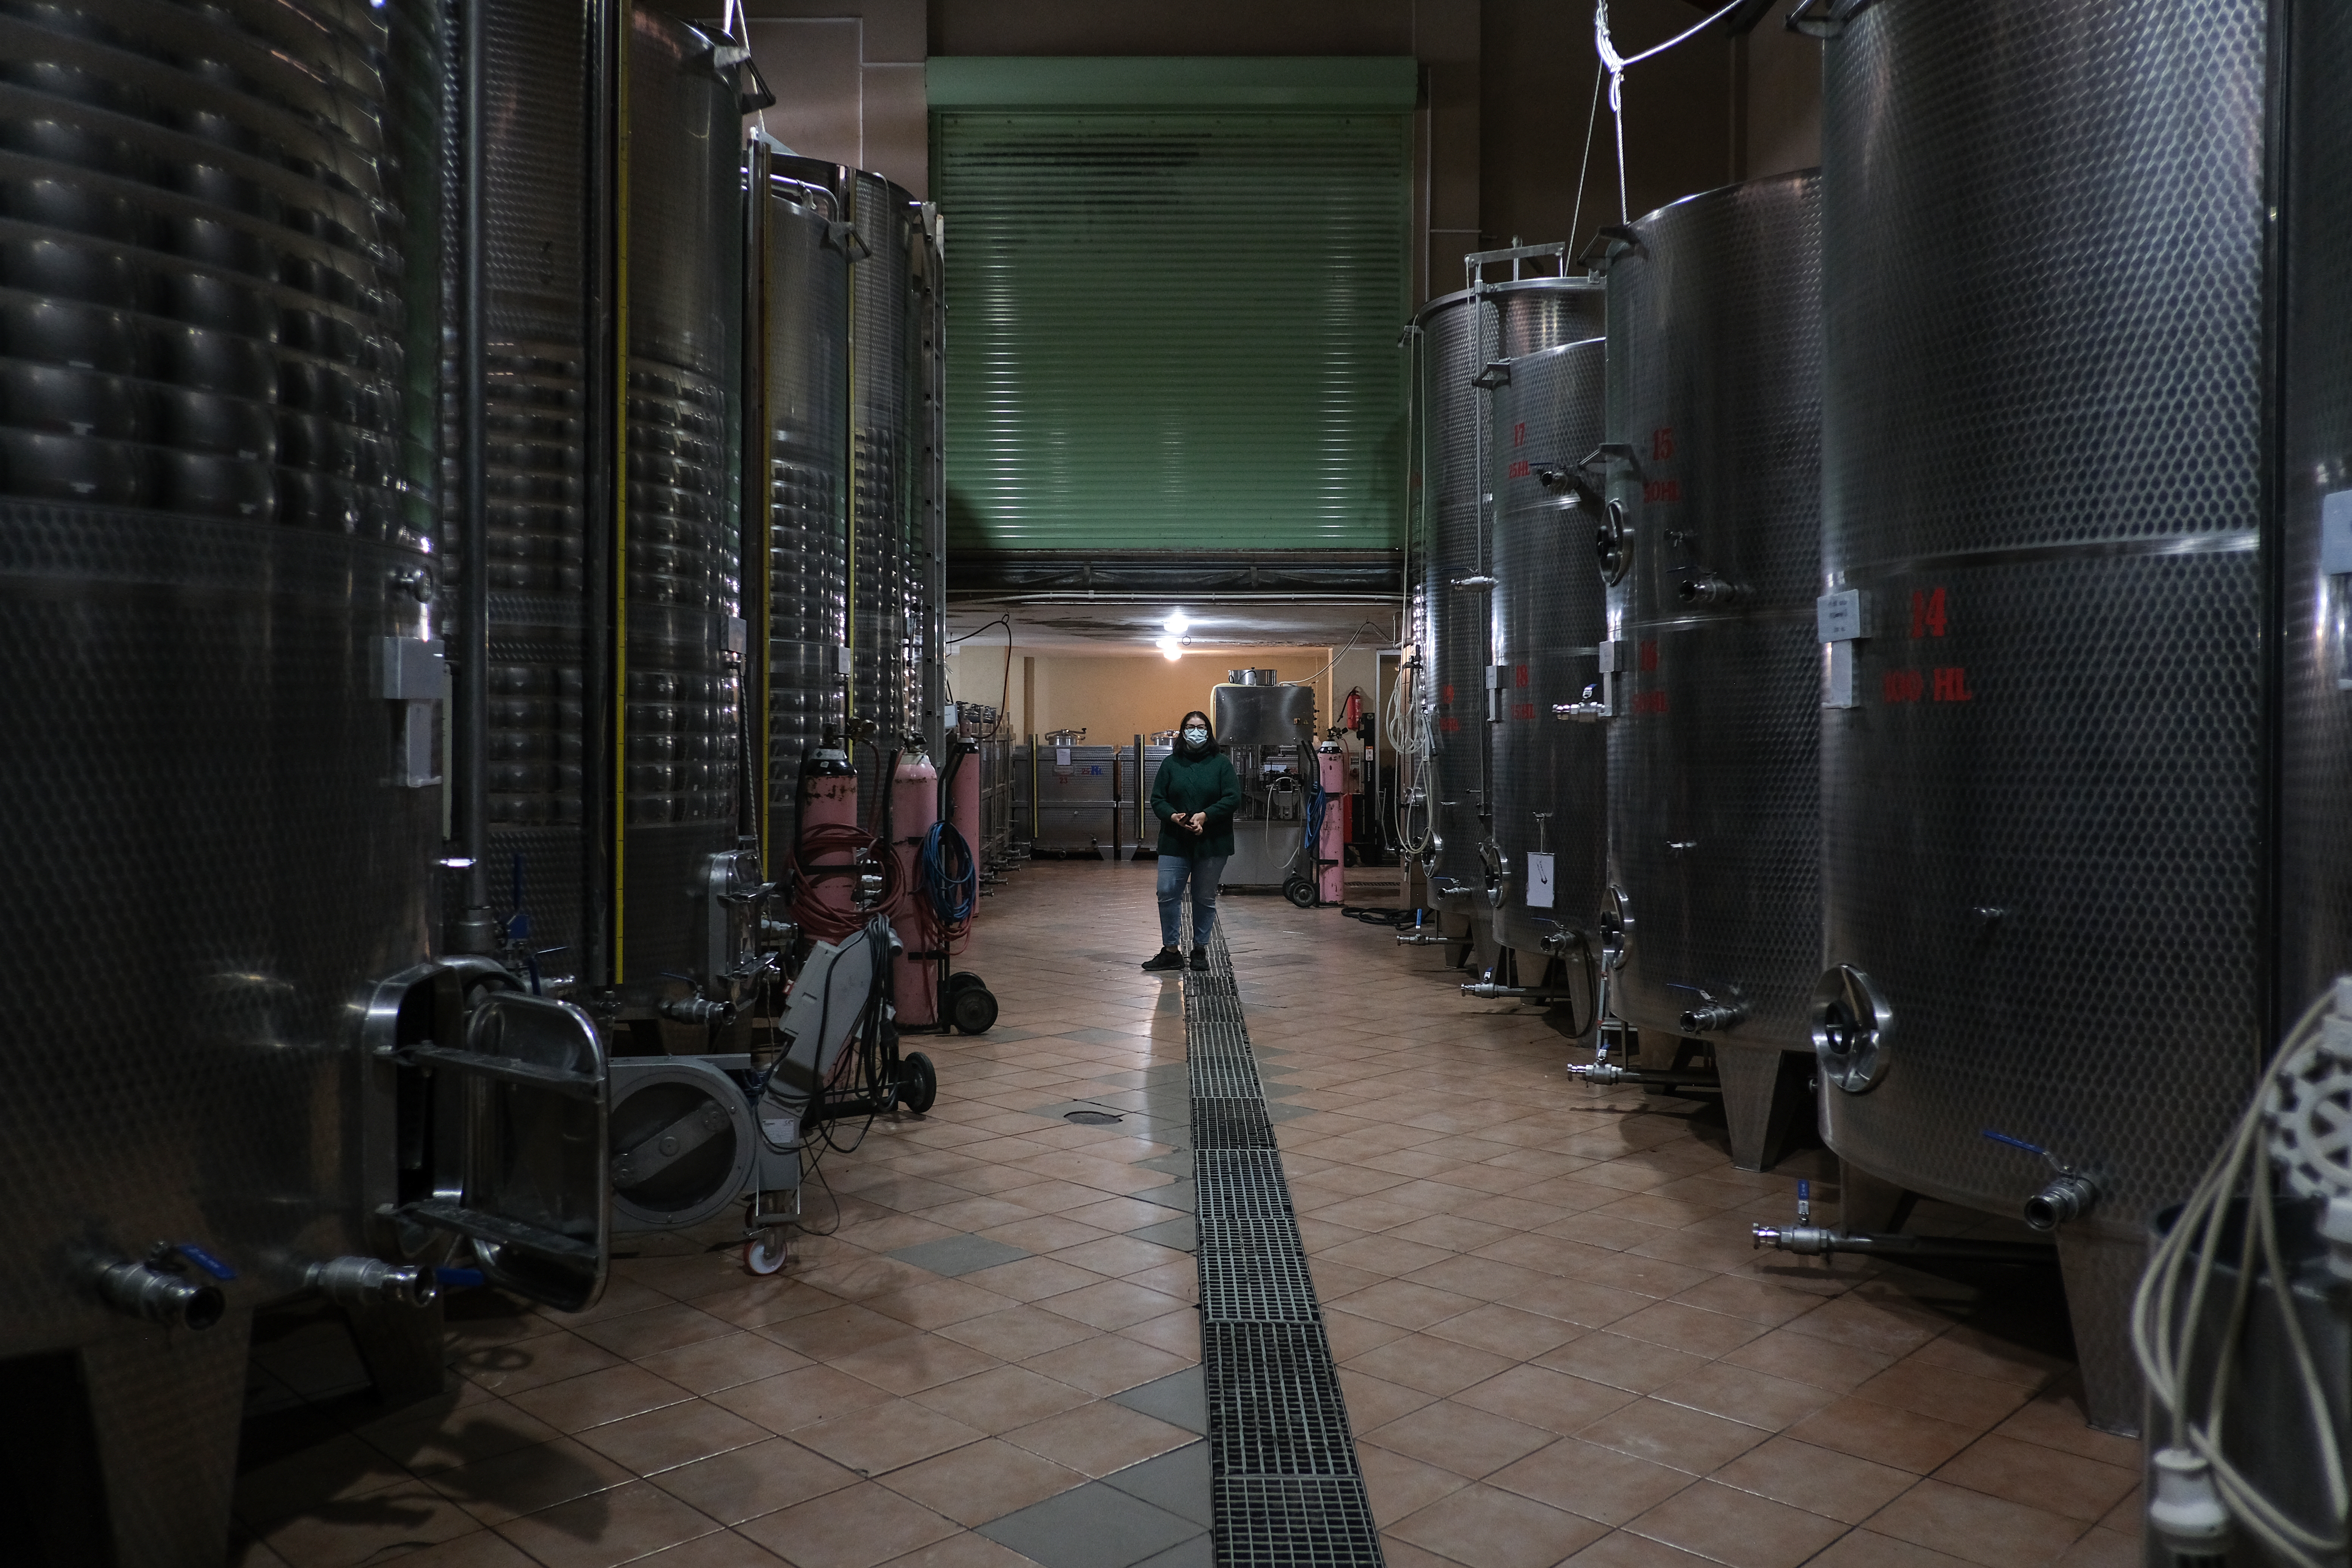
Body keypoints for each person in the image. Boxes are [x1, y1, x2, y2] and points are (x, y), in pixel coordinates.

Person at [1143, 709, 1240, 971]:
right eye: (1190, 727)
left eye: (1200, 727)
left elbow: (1232, 798)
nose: (1195, 732)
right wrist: (1174, 817)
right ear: (1182, 731)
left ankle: (1200, 949)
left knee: (1204, 897)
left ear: (1208, 733)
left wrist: (1205, 817)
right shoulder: (1170, 764)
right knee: (1167, 892)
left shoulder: (1221, 764)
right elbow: (1157, 800)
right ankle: (1171, 951)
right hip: (1175, 841)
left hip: (1213, 843)